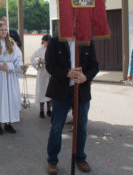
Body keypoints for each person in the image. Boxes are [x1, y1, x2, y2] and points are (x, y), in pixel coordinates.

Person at [45, 37, 99, 174]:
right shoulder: (55, 41)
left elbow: (95, 66)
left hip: (81, 91)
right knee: (57, 127)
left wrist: (86, 77)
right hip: (60, 91)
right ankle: (52, 160)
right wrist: (67, 73)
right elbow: (50, 65)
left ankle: (80, 158)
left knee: (81, 126)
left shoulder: (87, 41)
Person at [0, 21, 27, 135]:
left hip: (10, 74)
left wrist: (21, 66)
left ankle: (8, 123)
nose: (4, 32)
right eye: (1, 30)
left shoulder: (12, 43)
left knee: (10, 98)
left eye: (5, 30)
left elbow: (18, 58)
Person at [30, 34, 52, 118]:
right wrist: (38, 60)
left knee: (50, 92)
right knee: (42, 91)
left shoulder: (52, 48)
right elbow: (32, 59)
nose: (47, 44)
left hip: (50, 72)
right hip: (42, 72)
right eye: (46, 42)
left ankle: (49, 109)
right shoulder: (39, 50)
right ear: (43, 41)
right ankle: (41, 110)